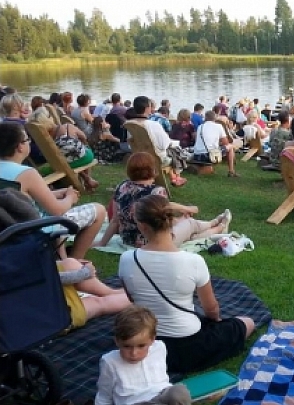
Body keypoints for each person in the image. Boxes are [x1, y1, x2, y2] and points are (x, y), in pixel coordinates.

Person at [118, 195, 255, 374]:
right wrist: (215, 323)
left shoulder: (126, 259)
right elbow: (211, 309)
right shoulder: (193, 261)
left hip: (146, 343)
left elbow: (131, 298)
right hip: (188, 345)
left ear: (143, 226)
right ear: (171, 222)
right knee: (248, 322)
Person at [94, 306, 217, 405]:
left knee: (180, 390)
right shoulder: (109, 361)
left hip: (161, 396)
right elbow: (104, 388)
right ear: (117, 341)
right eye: (127, 346)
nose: (134, 353)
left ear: (152, 339)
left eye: (141, 346)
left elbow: (160, 376)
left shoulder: (160, 348)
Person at [0, 121, 107, 260]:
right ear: (20, 146)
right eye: (27, 139)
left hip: (8, 228)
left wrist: (54, 194)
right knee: (99, 210)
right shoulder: (26, 173)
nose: (29, 143)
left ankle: (63, 258)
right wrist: (70, 198)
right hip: (36, 228)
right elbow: (57, 211)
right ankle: (73, 261)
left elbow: (17, 196)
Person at [96, 152, 231, 249]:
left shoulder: (122, 186)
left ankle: (217, 226)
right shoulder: (157, 191)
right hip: (152, 242)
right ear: (152, 170)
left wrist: (102, 242)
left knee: (190, 235)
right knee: (190, 224)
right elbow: (164, 224)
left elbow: (114, 220)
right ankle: (217, 225)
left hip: (127, 240)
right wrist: (183, 218)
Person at [57, 257, 131, 329]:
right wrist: (85, 272)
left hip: (51, 288)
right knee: (98, 302)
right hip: (52, 315)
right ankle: (138, 296)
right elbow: (51, 279)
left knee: (70, 263)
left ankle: (111, 292)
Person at [129, 96, 186, 187]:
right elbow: (165, 144)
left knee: (168, 150)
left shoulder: (130, 124)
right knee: (175, 149)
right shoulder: (154, 125)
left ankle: (174, 176)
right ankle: (176, 176)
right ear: (148, 108)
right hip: (156, 159)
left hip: (138, 157)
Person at [192, 110, 239, 177]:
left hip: (196, 155)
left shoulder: (200, 127)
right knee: (230, 146)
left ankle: (203, 169)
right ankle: (231, 171)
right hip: (208, 156)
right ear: (215, 118)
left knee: (217, 148)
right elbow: (226, 143)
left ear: (205, 118)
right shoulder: (218, 126)